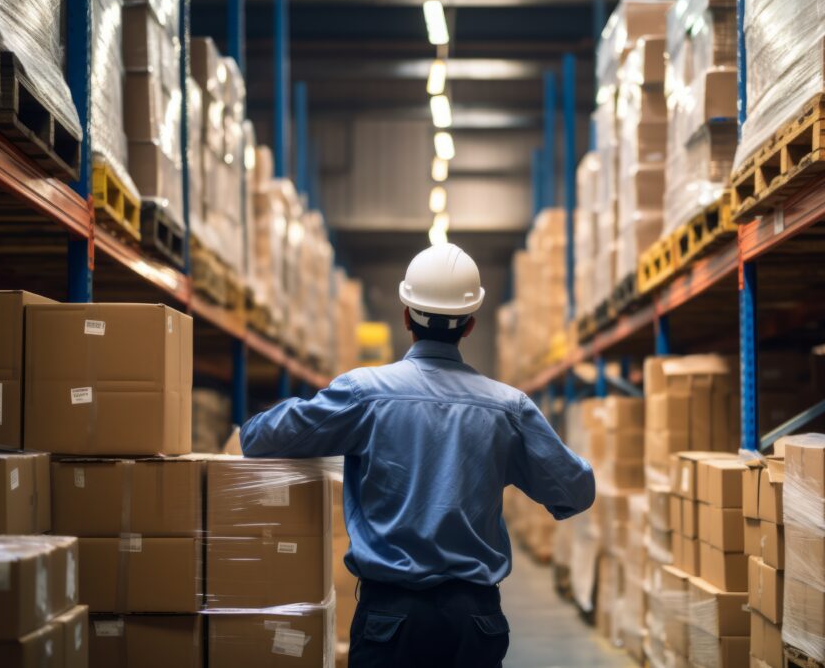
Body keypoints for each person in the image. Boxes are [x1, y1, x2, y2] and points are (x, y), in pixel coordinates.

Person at [241, 242, 595, 668]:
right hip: (475, 621)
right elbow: (576, 491)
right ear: (469, 325)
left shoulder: (364, 395)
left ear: (406, 315)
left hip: (390, 619)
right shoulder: (509, 408)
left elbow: (260, 439)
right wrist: (503, 459)